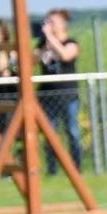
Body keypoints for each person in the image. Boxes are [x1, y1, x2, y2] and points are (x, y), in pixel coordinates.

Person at [35, 9, 83, 175]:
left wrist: (51, 38)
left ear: (63, 24)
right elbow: (31, 61)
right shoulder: (43, 44)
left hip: (68, 95)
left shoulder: (71, 42)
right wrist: (43, 47)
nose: (48, 25)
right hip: (47, 96)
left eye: (52, 22)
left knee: (72, 132)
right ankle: (52, 169)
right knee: (50, 134)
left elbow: (65, 55)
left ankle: (76, 168)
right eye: (47, 22)